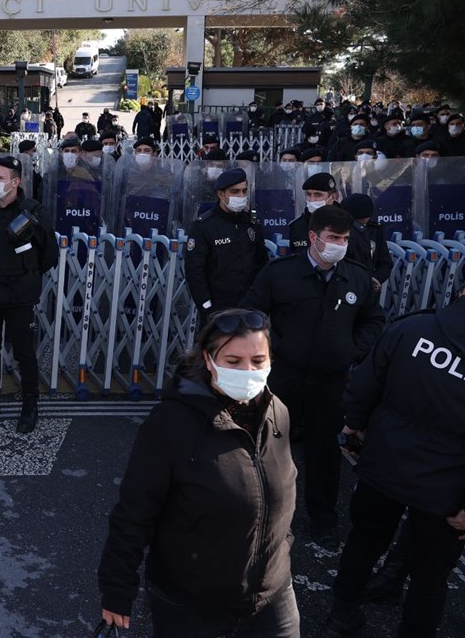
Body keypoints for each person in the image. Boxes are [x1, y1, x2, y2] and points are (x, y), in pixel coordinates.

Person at [324, 253, 465, 638]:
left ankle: (340, 618)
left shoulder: (412, 329)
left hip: (385, 466)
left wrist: (355, 426)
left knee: (363, 544)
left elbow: (363, 385)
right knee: (431, 576)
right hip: (449, 493)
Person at [98, 309, 299, 638]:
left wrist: (281, 544)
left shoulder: (277, 412)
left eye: (258, 361)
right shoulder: (170, 424)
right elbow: (134, 512)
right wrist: (117, 589)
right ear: (208, 360)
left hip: (271, 595)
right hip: (191, 603)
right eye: (233, 361)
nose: (248, 372)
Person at [241, 205, 385, 549]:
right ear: (313, 237)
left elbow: (374, 320)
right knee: (270, 446)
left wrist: (352, 350)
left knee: (324, 453)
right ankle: (262, 514)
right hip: (285, 376)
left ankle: (323, 520)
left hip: (331, 381)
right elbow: (251, 313)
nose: (340, 245)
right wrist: (270, 349)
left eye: (345, 239)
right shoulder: (281, 273)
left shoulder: (356, 277)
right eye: (333, 238)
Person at [0, 155, 55, 433]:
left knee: (24, 352)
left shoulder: (33, 211)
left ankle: (30, 405)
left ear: (15, 182)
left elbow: (49, 254)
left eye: (0, 178)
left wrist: (25, 273)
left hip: (19, 294)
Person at [183, 168, 268, 325]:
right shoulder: (204, 226)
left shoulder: (252, 223)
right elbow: (194, 271)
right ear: (221, 194)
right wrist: (206, 307)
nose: (241, 196)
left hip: (249, 304)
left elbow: (262, 262)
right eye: (235, 192)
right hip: (218, 306)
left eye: (244, 191)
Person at [341, 193, 393, 291]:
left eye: (364, 222)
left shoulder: (375, 229)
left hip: (369, 289)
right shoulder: (339, 231)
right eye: (357, 223)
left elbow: (385, 262)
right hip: (346, 286)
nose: (360, 227)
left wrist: (377, 278)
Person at [287, 172, 340, 255]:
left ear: (332, 197)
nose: (312, 199)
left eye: (318, 195)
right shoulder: (297, 226)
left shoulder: (346, 224)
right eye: (308, 194)